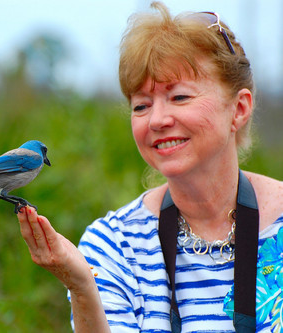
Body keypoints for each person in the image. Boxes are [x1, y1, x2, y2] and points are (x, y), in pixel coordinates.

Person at [17, 2, 283, 332]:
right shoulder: (113, 246)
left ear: (239, 109)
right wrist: (83, 288)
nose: (156, 120)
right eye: (141, 105)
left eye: (180, 97)